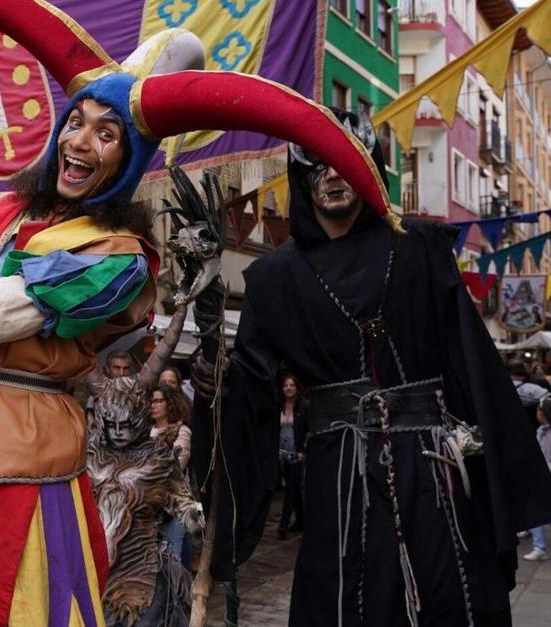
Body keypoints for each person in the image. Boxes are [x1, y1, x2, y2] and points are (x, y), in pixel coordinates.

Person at [0, 0, 394, 622]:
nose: (79, 143)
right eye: (77, 122)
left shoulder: (118, 256)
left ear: (126, 158)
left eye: (106, 134)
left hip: (27, 471)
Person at [198, 109, 551, 624]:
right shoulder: (274, 279)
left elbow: (471, 364)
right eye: (318, 164)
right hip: (338, 469)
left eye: (346, 161)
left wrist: (497, 475)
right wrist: (218, 381)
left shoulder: (419, 249)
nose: (334, 175)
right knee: (346, 598)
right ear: (300, 175)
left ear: (369, 167)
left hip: (433, 468)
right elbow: (252, 389)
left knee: (450, 594)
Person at [88, 374, 202, 627]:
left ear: (139, 417)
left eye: (125, 424)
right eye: (111, 423)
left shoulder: (157, 457)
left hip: (138, 566)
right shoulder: (89, 454)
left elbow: (186, 505)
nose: (118, 432)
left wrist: (198, 518)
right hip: (89, 563)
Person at [277, 374, 308, 538]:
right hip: (281, 453)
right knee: (294, 489)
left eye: (292, 385)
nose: (288, 388)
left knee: (290, 489)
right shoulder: (279, 406)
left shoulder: (304, 407)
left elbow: (310, 430)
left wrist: (303, 449)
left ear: (297, 388)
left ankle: (283, 524)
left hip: (296, 454)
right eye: (285, 385)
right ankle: (301, 521)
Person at [525, 399, 551, 561]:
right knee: (533, 506)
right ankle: (538, 544)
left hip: (546, 476)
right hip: (543, 476)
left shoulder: (546, 433)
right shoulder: (541, 431)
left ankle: (539, 546)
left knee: (535, 507)